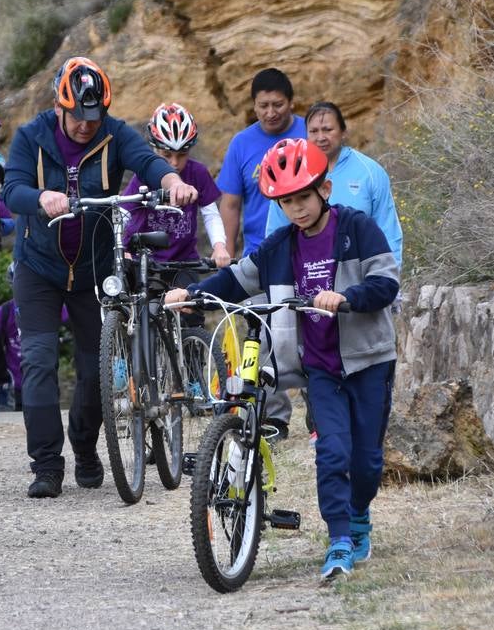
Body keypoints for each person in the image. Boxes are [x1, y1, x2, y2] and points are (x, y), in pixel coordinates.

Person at [165, 138, 399, 581]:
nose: (297, 209)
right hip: (321, 368)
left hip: (369, 361)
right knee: (332, 453)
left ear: (324, 190)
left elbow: (386, 280)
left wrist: (347, 297)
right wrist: (193, 295)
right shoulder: (279, 247)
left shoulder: (358, 228)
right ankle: (340, 540)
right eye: (287, 202)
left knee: (366, 460)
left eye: (303, 198)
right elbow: (236, 278)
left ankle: (359, 513)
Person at [2, 56, 199, 498]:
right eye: (77, 117)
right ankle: (47, 465)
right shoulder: (32, 137)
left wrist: (171, 179)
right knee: (38, 360)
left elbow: (147, 162)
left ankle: (87, 448)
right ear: (59, 107)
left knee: (98, 369)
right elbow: (11, 190)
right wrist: (42, 197)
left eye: (94, 117)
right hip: (39, 267)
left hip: (95, 268)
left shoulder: (114, 131)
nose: (87, 126)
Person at [215, 68, 307, 436]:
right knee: (263, 335)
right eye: (262, 106)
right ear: (253, 106)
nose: (270, 112)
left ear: (291, 103)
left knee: (314, 332)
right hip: (260, 254)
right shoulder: (241, 144)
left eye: (278, 105)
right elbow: (231, 203)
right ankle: (273, 416)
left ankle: (321, 414)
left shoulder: (307, 132)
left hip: (307, 249)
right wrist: (228, 248)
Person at [122, 102, 229, 326]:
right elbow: (124, 214)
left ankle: (194, 357)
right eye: (166, 154)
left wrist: (219, 246)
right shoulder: (144, 176)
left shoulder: (197, 172)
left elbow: (210, 214)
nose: (174, 162)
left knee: (192, 314)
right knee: (144, 320)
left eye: (182, 154)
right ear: (153, 149)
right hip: (147, 264)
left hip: (183, 261)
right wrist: (123, 250)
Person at [263, 101, 403, 264]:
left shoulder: (370, 172)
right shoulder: (290, 175)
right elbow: (276, 235)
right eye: (313, 131)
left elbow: (389, 231)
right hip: (308, 275)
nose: (321, 137)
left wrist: (389, 280)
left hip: (361, 276)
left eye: (328, 130)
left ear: (343, 132)